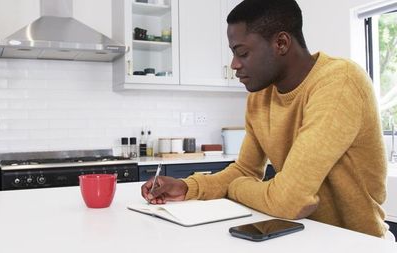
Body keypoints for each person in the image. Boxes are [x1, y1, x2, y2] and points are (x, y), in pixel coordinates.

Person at [141, 0, 390, 238]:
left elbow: (288, 201)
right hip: (302, 236)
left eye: (243, 53)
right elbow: (246, 170)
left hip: (358, 242)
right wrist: (187, 188)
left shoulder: (339, 83)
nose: (234, 64)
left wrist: (236, 187)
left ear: (281, 43)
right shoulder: (260, 96)